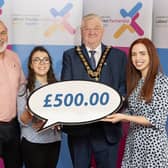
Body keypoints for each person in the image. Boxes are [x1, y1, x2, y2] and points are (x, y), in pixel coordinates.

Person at [61, 13, 127, 168]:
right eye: (87, 28)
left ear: (102, 31)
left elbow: (124, 86)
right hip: (79, 131)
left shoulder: (118, 57)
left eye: (96, 28)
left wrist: (120, 100)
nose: (92, 32)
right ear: (81, 32)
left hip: (108, 131)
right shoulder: (70, 56)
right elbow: (65, 88)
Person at [103, 38, 168, 167]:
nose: (137, 58)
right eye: (134, 54)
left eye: (142, 53)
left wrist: (124, 117)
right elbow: (132, 112)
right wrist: (113, 114)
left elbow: (157, 119)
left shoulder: (162, 82)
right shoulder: (136, 83)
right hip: (133, 144)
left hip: (153, 147)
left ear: (151, 55)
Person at [17, 46, 61, 168]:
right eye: (37, 59)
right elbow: (22, 121)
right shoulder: (24, 89)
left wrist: (54, 123)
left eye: (45, 59)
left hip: (54, 141)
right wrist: (30, 109)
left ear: (50, 63)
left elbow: (63, 116)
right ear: (31, 65)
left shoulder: (59, 87)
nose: (42, 63)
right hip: (33, 141)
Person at [0, 20, 25, 168]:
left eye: (3, 33)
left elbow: (22, 87)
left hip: (13, 127)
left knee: (15, 164)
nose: (0, 37)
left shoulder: (14, 57)